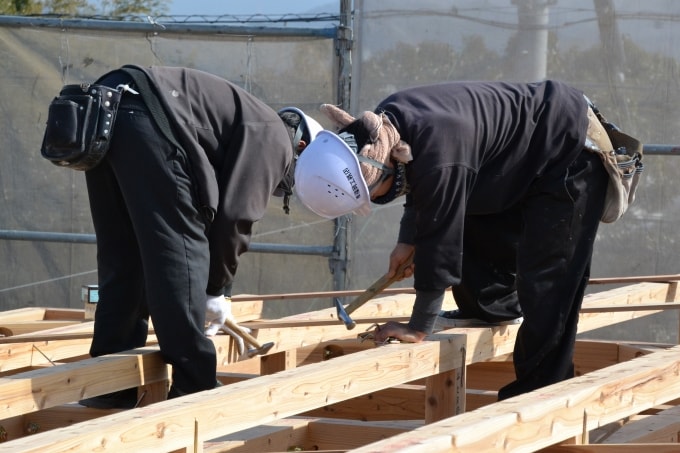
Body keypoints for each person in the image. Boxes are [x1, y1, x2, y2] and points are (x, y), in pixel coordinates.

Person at [294, 80, 642, 400]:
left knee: (549, 281)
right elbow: (421, 180)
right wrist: (407, 241)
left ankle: (540, 394)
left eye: (377, 195)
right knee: (469, 208)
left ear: (379, 169)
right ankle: (490, 308)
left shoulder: (436, 152)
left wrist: (418, 327)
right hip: (519, 157)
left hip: (568, 149)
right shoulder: (390, 130)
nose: (386, 199)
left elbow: (439, 237)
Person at [77, 64, 322, 408]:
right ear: (301, 145)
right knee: (179, 248)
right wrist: (214, 291)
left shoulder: (247, 121)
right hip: (146, 110)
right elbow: (235, 219)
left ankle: (110, 387)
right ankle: (194, 388)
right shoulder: (275, 138)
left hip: (107, 106)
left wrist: (211, 288)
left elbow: (219, 211)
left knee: (125, 254)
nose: (282, 186)